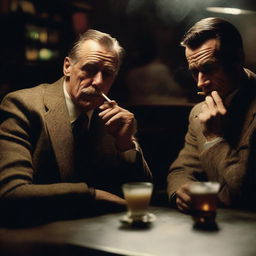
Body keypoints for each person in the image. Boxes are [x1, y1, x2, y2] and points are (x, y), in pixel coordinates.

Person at [0, 29, 151, 225]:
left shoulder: (114, 117)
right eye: (90, 69)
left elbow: (143, 192)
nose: (98, 82)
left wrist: (126, 145)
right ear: (67, 67)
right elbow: (10, 193)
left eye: (107, 73)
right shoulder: (23, 105)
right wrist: (92, 195)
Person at [167, 17, 256, 212]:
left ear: (237, 59)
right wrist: (182, 191)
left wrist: (215, 139)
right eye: (194, 72)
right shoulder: (199, 112)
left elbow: (245, 195)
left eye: (208, 68)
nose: (200, 82)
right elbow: (180, 170)